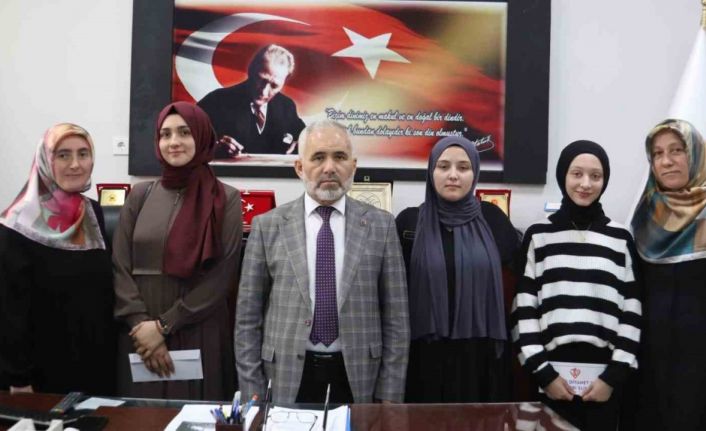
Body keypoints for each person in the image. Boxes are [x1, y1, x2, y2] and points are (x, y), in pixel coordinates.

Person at [235, 119, 409, 404]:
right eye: (318, 157)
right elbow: (247, 318)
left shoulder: (381, 226)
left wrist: (390, 393)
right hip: (285, 375)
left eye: (339, 157)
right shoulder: (268, 226)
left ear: (353, 166)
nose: (329, 167)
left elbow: (397, 318)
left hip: (360, 376)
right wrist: (252, 389)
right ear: (299, 167)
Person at [113, 101, 243, 400]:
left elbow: (221, 277)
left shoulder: (226, 198)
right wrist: (142, 326)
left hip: (198, 327)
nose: (174, 142)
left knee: (194, 413)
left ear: (202, 136)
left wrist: (164, 326)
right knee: (140, 417)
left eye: (185, 132)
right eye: (165, 134)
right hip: (139, 332)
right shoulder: (140, 195)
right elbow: (120, 265)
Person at [511, 141, 641, 431]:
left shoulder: (620, 238)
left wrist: (612, 377)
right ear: (563, 176)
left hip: (604, 384)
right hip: (549, 380)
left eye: (596, 176)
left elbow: (632, 314)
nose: (586, 184)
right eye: (577, 173)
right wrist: (544, 374)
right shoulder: (538, 235)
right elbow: (524, 312)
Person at [395, 136, 519, 403]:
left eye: (463, 167)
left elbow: (515, 289)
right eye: (443, 167)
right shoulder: (409, 223)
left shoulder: (494, 220)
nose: (453, 175)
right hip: (424, 356)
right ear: (431, 171)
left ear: (475, 173)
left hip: (480, 356)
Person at [0, 123, 116, 395]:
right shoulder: (15, 225)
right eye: (63, 155)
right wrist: (18, 379)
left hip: (96, 368)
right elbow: (9, 314)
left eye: (83, 154)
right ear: (44, 160)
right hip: (38, 377)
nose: (75, 164)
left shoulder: (93, 213)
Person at [630, 119, 706, 431]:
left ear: (696, 154)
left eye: (677, 150)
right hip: (651, 362)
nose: (666, 161)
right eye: (658, 153)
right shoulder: (644, 217)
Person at [198, 44, 306, 157]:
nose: (264, 91)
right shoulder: (215, 101)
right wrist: (213, 148)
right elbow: (190, 139)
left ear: (284, 82)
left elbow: (305, 136)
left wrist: (301, 143)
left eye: (274, 86)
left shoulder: (286, 106)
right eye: (261, 80)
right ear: (251, 71)